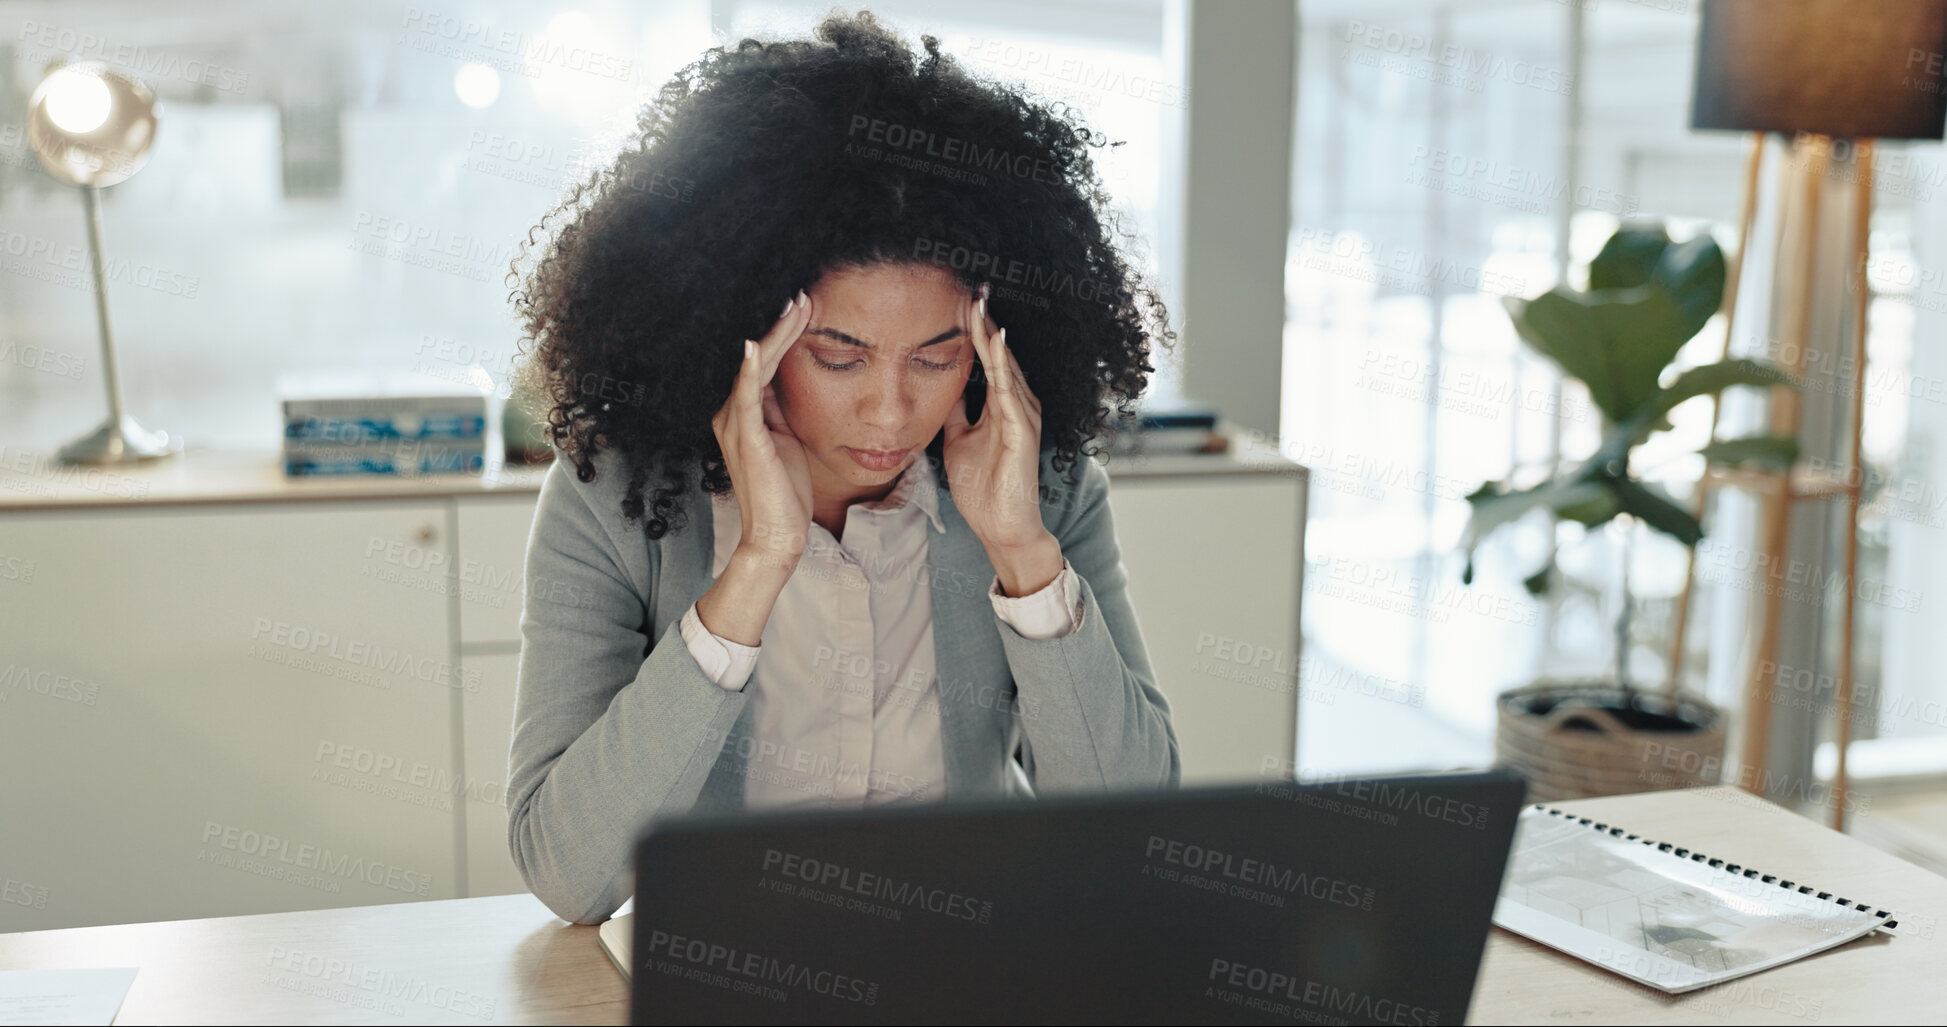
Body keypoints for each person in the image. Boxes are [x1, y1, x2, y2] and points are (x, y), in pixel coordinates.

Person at [503, 9, 1180, 926]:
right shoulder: (617, 500)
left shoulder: (1043, 488)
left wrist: (1022, 552)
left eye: (936, 356)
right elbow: (566, 873)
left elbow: (1127, 826)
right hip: (730, 959)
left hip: (971, 953)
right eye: (839, 355)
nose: (891, 410)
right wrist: (754, 569)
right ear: (746, 334)